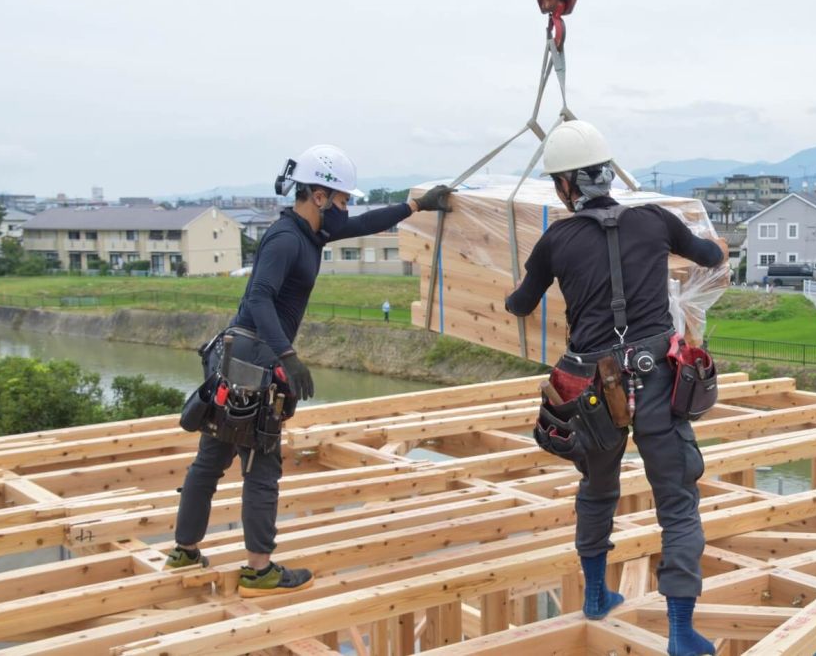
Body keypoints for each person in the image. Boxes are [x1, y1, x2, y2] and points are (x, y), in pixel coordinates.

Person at [166, 144, 453, 597]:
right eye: (341, 199)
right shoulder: (285, 240)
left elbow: (362, 225)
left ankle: (184, 551)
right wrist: (287, 357)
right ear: (318, 195)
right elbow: (259, 297)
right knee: (261, 465)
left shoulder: (309, 234)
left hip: (239, 353)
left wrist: (416, 205)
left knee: (212, 458)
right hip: (256, 357)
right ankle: (258, 570)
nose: (346, 208)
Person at [505, 121, 726, 656]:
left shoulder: (556, 239)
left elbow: (519, 304)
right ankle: (680, 632)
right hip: (657, 379)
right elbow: (710, 257)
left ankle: (598, 597)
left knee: (598, 488)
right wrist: (710, 247)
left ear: (564, 187)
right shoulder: (654, 220)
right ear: (609, 174)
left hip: (590, 388)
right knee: (676, 501)